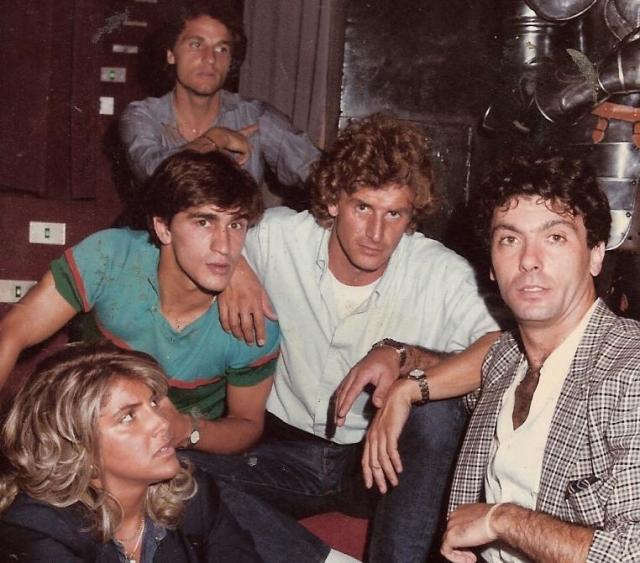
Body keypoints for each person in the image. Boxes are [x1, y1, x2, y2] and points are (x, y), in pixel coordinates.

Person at [191, 113, 500, 562]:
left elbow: (502, 350)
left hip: (375, 463)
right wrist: (234, 267)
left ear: (412, 215)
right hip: (280, 450)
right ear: (335, 200)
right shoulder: (278, 236)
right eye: (363, 208)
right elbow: (190, 230)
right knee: (173, 475)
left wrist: (405, 359)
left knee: (437, 411)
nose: (376, 234)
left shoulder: (441, 272)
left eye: (394, 214)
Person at [0, 150, 280, 455]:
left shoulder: (252, 319)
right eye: (204, 222)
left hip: (183, 454)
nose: (224, 246)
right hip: (88, 431)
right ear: (163, 227)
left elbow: (247, 424)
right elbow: (13, 331)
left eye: (236, 225)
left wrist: (187, 430)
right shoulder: (111, 257)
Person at [438, 154, 640, 562]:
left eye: (555, 237)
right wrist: (403, 369)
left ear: (596, 254)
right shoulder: (503, 362)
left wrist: (502, 519)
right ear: (491, 266)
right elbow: (474, 357)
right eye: (509, 240)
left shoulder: (629, 372)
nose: (529, 259)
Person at [0, 341, 260, 562]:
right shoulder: (38, 530)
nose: (162, 423)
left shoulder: (192, 494)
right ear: (77, 449)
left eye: (154, 403)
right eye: (127, 417)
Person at [119, 0, 320, 188]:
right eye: (196, 45)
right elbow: (153, 174)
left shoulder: (254, 116)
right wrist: (215, 139)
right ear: (171, 55)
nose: (210, 58)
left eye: (221, 49)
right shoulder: (143, 116)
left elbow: (320, 172)